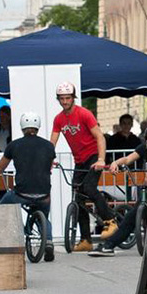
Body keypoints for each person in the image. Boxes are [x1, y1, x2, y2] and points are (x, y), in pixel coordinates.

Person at [50, 81, 117, 252]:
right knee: (78, 197)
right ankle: (86, 240)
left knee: (88, 187)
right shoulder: (58, 119)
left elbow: (100, 137)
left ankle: (111, 220)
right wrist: (48, 159)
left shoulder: (84, 114)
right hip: (79, 160)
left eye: (68, 98)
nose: (65, 101)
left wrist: (101, 159)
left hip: (94, 157)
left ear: (73, 98)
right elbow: (53, 141)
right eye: (62, 99)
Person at [89, 125, 147, 256]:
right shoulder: (144, 148)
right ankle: (109, 245)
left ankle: (110, 245)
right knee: (132, 218)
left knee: (135, 218)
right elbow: (129, 158)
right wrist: (116, 163)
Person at [0, 112, 56, 262]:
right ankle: (49, 242)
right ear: (38, 127)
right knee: (44, 217)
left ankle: (1, 237)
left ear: (22, 127)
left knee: (2, 206)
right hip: (44, 193)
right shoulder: (48, 146)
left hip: (22, 193)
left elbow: (2, 165)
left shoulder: (14, 145)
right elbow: (48, 165)